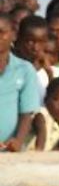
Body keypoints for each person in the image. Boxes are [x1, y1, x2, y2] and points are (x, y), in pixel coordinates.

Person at [0, 12, 40, 151]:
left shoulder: (25, 70)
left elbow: (27, 113)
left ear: (13, 35)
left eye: (1, 32)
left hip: (9, 150)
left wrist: (18, 140)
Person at [16, 14, 59, 90]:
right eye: (30, 41)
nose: (35, 48)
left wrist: (50, 74)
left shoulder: (55, 72)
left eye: (41, 42)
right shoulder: (8, 67)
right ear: (19, 38)